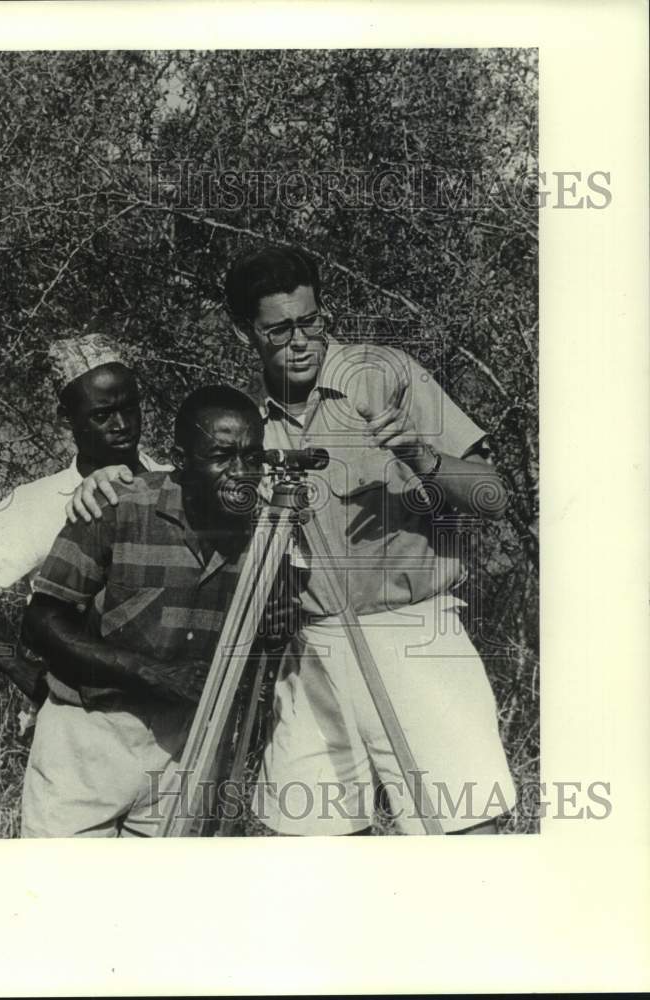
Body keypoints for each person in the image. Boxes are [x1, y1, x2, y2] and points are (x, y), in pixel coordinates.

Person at [68, 246, 518, 837]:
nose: (301, 341)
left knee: (463, 839)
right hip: (307, 650)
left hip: (413, 635)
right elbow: (184, 487)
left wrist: (421, 455)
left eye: (311, 322)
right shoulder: (249, 418)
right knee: (307, 852)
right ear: (246, 331)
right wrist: (109, 475)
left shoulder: (388, 375)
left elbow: (495, 496)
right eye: (279, 330)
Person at [19, 385, 265, 837]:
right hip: (88, 737)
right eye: (223, 456)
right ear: (182, 459)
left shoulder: (265, 531)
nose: (241, 472)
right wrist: (152, 672)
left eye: (253, 457)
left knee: (156, 900)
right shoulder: (117, 505)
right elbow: (41, 622)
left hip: (182, 745)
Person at [0, 332, 169, 722]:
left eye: (130, 407)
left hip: (177, 718)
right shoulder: (35, 504)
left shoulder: (174, 485)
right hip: (80, 722)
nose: (121, 425)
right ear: (66, 419)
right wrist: (22, 671)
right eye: (101, 415)